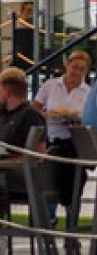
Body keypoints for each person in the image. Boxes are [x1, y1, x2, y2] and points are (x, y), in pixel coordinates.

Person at [36, 50, 90, 222]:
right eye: (74, 67)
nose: (77, 72)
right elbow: (35, 108)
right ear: (67, 66)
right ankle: (49, 220)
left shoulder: (87, 92)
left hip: (74, 144)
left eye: (82, 70)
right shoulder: (50, 86)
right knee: (48, 184)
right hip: (52, 141)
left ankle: (71, 224)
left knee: (74, 186)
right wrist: (46, 115)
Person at [0, 67, 46, 158]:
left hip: (15, 169)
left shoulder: (30, 116)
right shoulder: (1, 116)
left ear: (6, 92)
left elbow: (39, 153)